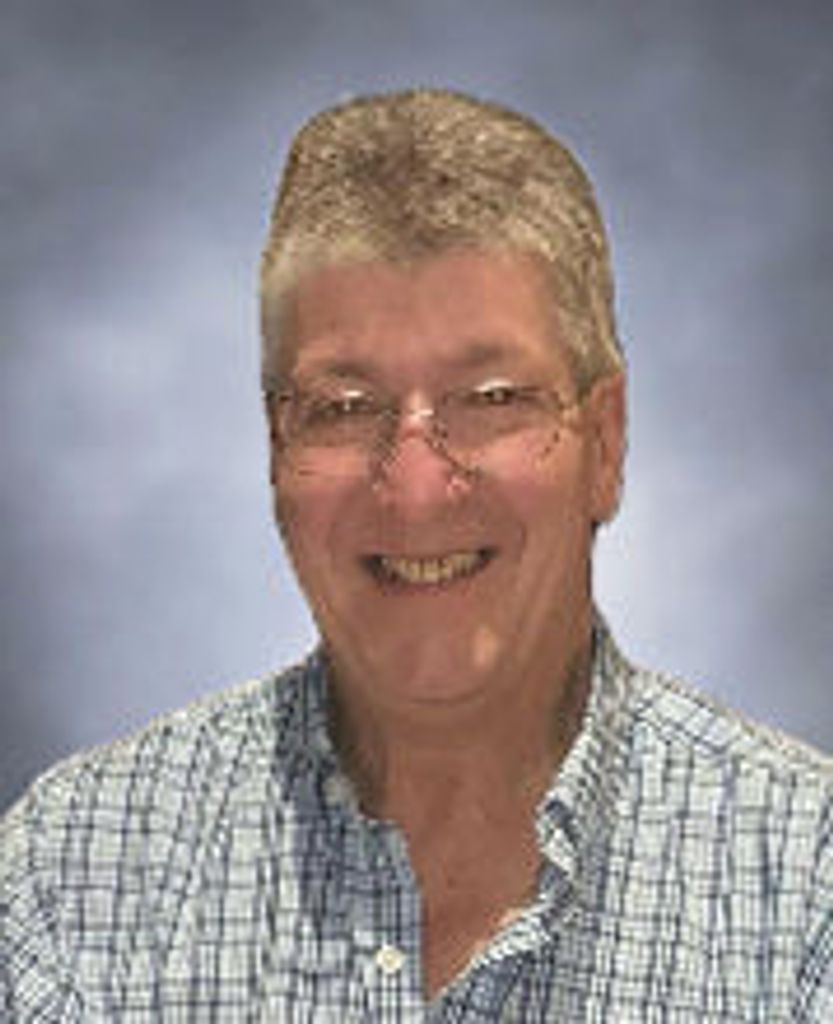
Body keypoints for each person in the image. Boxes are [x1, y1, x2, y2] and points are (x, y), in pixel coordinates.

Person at [1, 88, 831, 1021]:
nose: (417, 486)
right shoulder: (70, 879)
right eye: (345, 408)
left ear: (605, 444)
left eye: (491, 398)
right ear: (277, 451)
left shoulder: (805, 892)